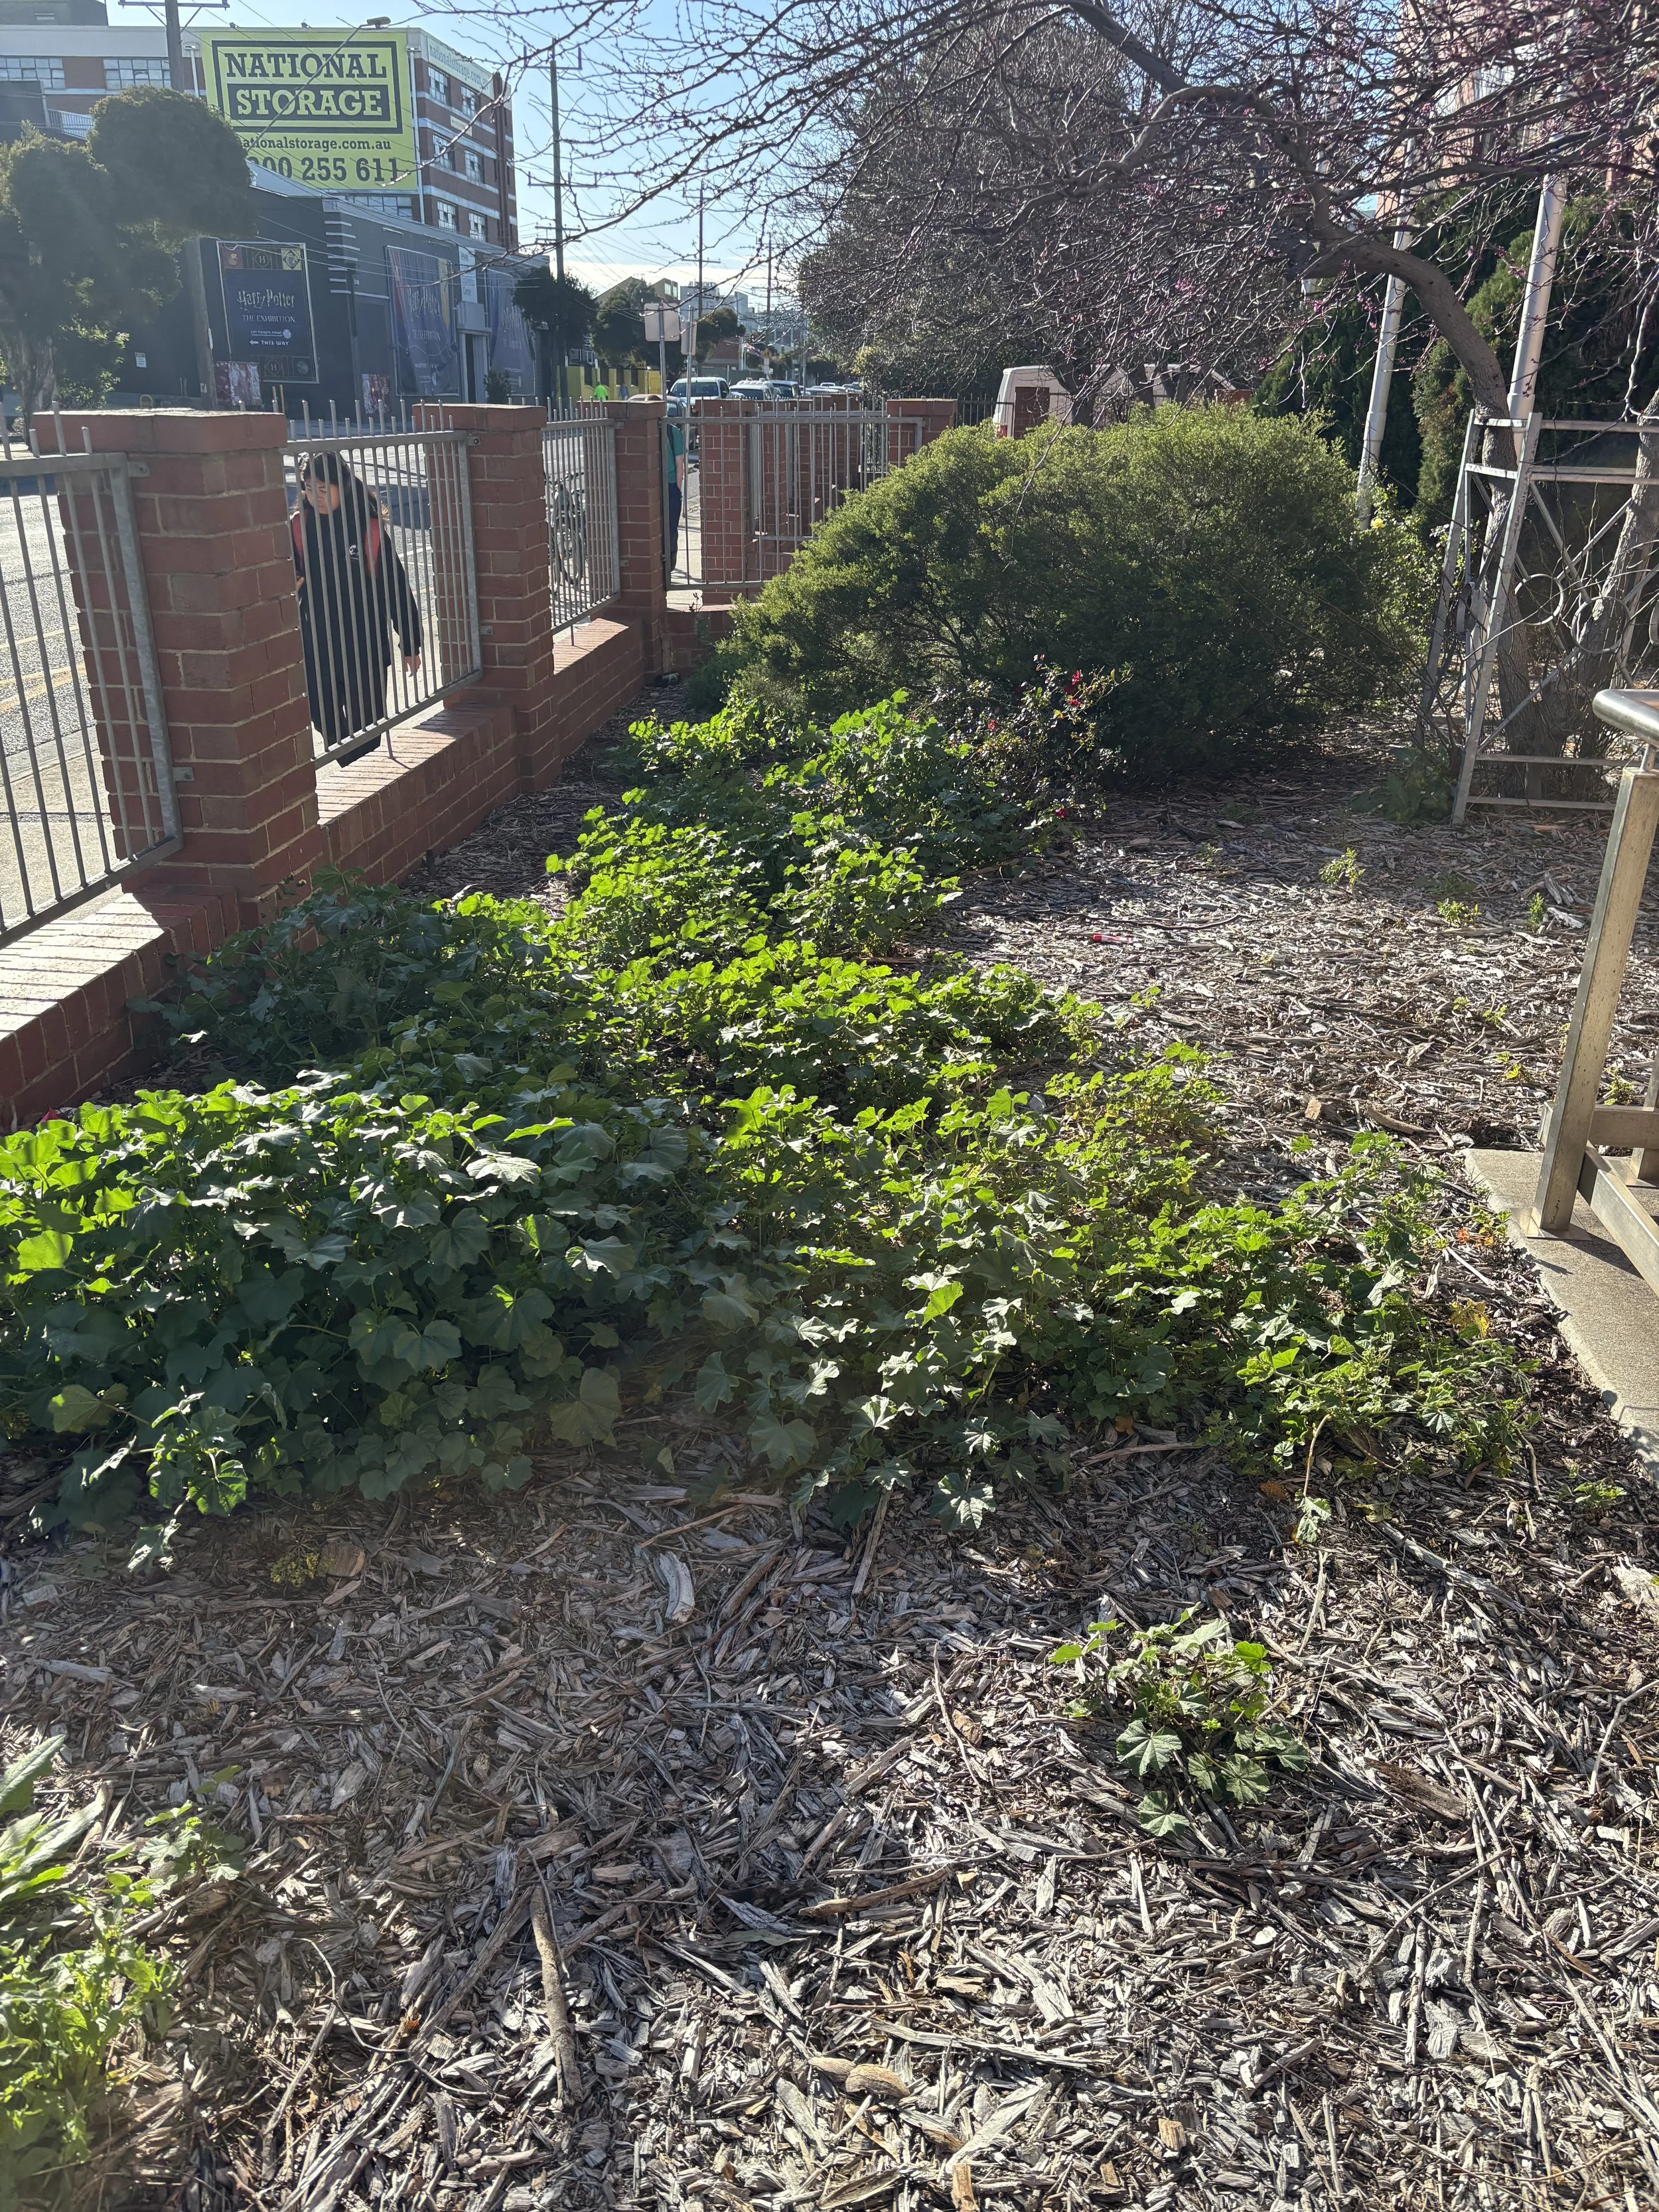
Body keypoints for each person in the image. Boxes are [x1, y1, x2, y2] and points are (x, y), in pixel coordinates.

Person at [291, 451, 422, 761]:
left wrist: (410, 642)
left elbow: (395, 586)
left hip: (364, 644)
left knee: (368, 723)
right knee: (321, 715)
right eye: (309, 489)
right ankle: (352, 764)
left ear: (343, 486)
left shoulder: (367, 529)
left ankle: (363, 770)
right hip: (317, 642)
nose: (315, 497)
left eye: (323, 490)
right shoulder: (299, 527)